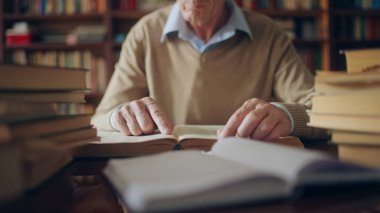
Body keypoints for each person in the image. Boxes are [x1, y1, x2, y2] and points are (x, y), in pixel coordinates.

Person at [92, 0, 327, 141]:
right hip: (166, 170)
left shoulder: (269, 34)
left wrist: (286, 116)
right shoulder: (144, 33)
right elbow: (101, 118)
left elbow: (323, 110)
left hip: (247, 170)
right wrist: (120, 115)